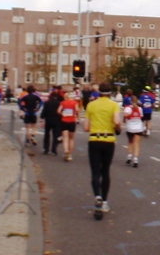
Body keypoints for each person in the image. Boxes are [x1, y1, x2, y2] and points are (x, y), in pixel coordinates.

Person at [84, 82, 121, 219]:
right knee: (105, 171)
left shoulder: (91, 105)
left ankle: (97, 196)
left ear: (98, 92)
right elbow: (117, 122)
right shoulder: (113, 105)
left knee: (95, 171)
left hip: (94, 140)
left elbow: (85, 127)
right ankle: (104, 201)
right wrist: (118, 129)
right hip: (108, 140)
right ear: (110, 93)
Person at [122, 89, 145, 166]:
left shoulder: (128, 108)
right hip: (138, 127)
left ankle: (129, 156)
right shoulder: (140, 108)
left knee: (130, 142)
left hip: (130, 128)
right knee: (137, 143)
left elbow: (125, 115)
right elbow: (141, 117)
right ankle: (135, 159)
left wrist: (124, 119)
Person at [59, 88, 80, 161]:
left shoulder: (63, 102)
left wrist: (63, 114)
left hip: (64, 121)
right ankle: (70, 155)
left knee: (65, 138)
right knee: (71, 139)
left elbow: (58, 111)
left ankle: (65, 151)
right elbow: (77, 110)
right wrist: (76, 115)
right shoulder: (74, 103)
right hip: (72, 121)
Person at [41, 87, 63, 155]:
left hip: (48, 120)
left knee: (47, 134)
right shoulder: (59, 103)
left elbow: (44, 111)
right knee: (55, 135)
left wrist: (42, 118)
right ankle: (54, 150)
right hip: (56, 121)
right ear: (56, 97)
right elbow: (61, 112)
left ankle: (46, 149)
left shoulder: (47, 103)